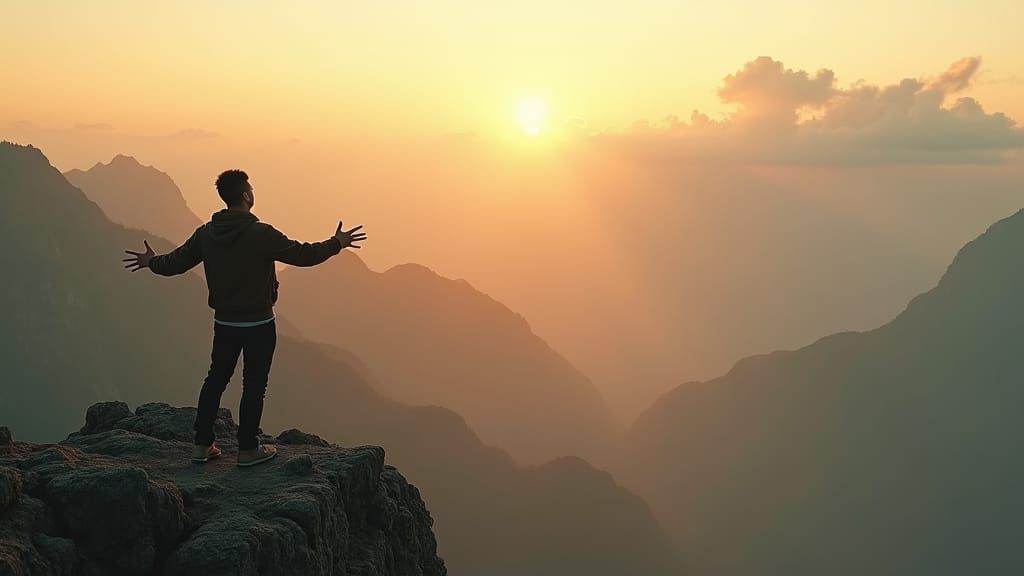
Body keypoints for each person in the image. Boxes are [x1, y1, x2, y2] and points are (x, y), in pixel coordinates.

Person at [122, 169, 366, 467]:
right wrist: (337, 243)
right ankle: (248, 450)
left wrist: (151, 262)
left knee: (215, 380)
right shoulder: (261, 234)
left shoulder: (206, 234)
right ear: (246, 196)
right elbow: (305, 256)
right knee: (254, 386)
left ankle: (202, 445)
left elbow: (176, 263)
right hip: (260, 325)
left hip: (225, 324)